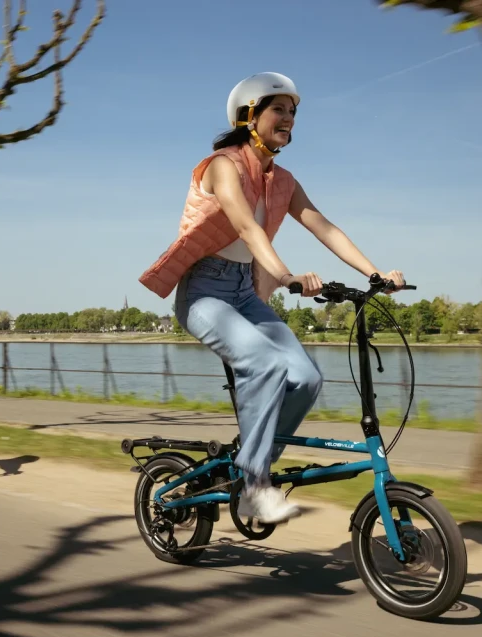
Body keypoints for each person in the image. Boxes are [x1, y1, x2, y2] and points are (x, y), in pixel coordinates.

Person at [139, 72, 406, 524]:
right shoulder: (223, 165)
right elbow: (245, 226)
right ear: (249, 116)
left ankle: (251, 468)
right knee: (264, 364)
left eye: (293, 112)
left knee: (304, 377)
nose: (289, 118)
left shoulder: (283, 180)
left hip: (243, 291)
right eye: (279, 109)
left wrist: (376, 272)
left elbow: (323, 226)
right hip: (205, 292)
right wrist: (284, 276)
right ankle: (257, 483)